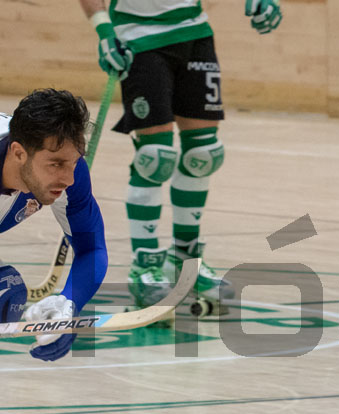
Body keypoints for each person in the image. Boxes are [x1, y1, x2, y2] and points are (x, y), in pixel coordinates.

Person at [77, 0, 282, 312]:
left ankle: (185, 260)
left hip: (194, 33)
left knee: (204, 153)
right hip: (139, 38)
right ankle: (144, 265)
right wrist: (105, 31)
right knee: (155, 157)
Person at [2, 89, 111, 414]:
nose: (67, 176)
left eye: (73, 162)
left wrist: (68, 302)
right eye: (56, 164)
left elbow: (93, 248)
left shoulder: (68, 176)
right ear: (18, 153)